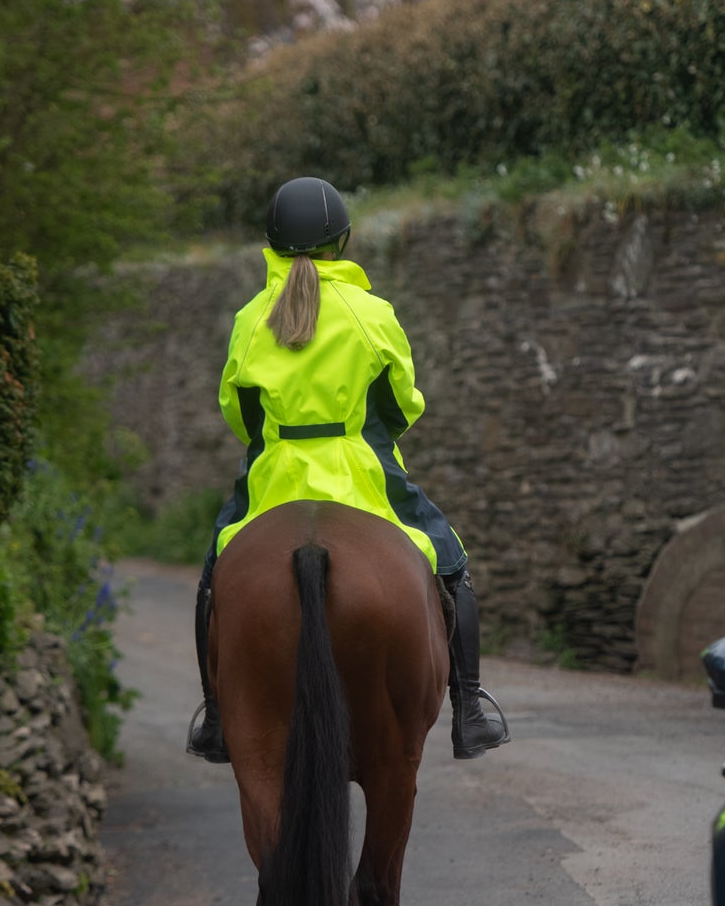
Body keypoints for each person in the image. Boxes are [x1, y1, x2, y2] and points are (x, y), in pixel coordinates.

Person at [187, 175, 510, 764]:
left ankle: (213, 717)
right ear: (343, 240)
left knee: (214, 573)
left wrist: (283, 441)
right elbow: (404, 403)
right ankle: (470, 708)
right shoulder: (371, 312)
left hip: (275, 473)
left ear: (273, 245)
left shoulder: (249, 318)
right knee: (452, 562)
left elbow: (240, 412)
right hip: (360, 471)